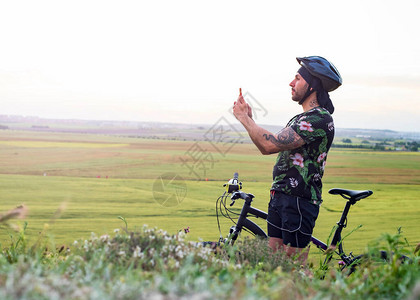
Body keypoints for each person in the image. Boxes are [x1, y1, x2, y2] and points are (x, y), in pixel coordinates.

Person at [233, 56, 342, 263]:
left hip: (299, 200)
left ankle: (320, 294)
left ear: (313, 85)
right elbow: (270, 144)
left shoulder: (319, 118)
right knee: (276, 263)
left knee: (294, 267)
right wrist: (250, 120)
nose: (291, 83)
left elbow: (269, 145)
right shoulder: (300, 118)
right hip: (281, 196)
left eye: (298, 78)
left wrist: (245, 119)